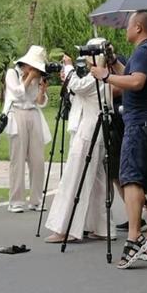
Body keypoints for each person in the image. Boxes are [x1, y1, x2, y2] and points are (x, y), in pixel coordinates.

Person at [91, 9, 147, 268]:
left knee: (131, 179)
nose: (125, 29)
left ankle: (134, 237)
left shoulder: (143, 51)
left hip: (138, 124)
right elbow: (132, 75)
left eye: (128, 25)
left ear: (138, 27)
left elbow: (136, 82)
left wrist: (105, 75)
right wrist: (114, 64)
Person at [44, 39, 114, 243]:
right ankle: (101, 227)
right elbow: (80, 95)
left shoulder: (97, 76)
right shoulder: (105, 75)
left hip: (89, 130)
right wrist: (69, 77)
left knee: (74, 177)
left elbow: (78, 86)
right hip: (96, 128)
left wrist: (68, 68)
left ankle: (65, 228)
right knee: (97, 180)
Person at [3, 45, 51, 213]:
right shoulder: (13, 73)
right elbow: (17, 93)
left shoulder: (38, 77)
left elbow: (40, 102)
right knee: (18, 159)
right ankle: (16, 201)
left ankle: (36, 200)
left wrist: (42, 88)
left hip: (34, 114)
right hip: (17, 113)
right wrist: (29, 77)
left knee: (38, 160)